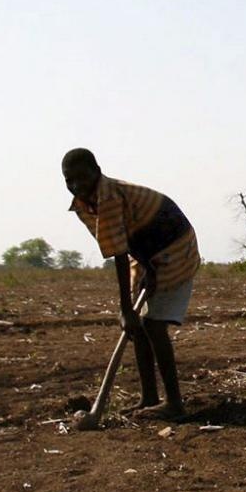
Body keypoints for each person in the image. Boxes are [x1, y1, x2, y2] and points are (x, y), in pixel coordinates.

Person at [61, 148, 199, 421]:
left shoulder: (108, 197)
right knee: (138, 328)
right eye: (69, 180)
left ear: (96, 172)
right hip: (147, 252)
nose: (76, 185)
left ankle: (174, 404)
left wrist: (126, 308)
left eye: (82, 177)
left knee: (153, 325)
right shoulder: (84, 204)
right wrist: (146, 267)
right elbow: (123, 242)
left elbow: (119, 254)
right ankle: (149, 398)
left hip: (175, 247)